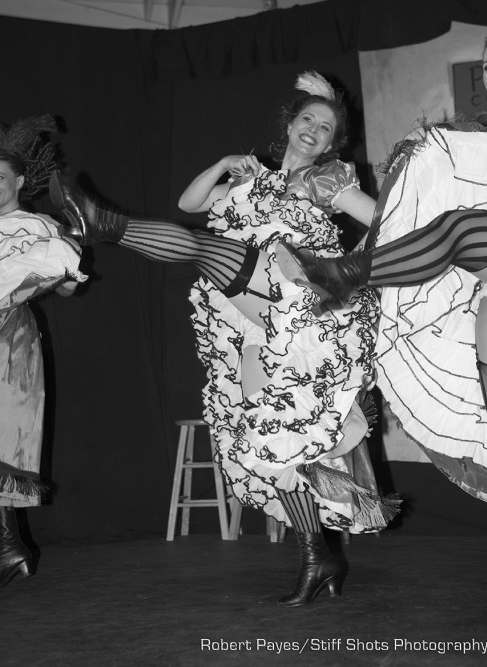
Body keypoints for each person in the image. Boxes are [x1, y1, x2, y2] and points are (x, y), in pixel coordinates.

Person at [50, 72, 399, 606]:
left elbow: (383, 220)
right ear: (288, 124)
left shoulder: (327, 179)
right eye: (307, 119)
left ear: (333, 143)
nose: (312, 130)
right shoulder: (248, 178)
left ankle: (107, 225)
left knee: (211, 255)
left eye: (325, 127)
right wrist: (223, 165)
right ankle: (317, 555)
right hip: (251, 325)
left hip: (299, 305)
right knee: (269, 439)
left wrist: (346, 256)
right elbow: (191, 203)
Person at [276, 19, 487, 508]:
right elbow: (406, 225)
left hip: (481, 248)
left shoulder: (471, 154)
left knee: (466, 227)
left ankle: (341, 276)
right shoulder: (472, 148)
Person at [0, 116, 87, 588]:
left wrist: (72, 266)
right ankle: (8, 546)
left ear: (17, 181)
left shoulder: (35, 225)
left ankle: (8, 546)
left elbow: (66, 288)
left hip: (7, 338)